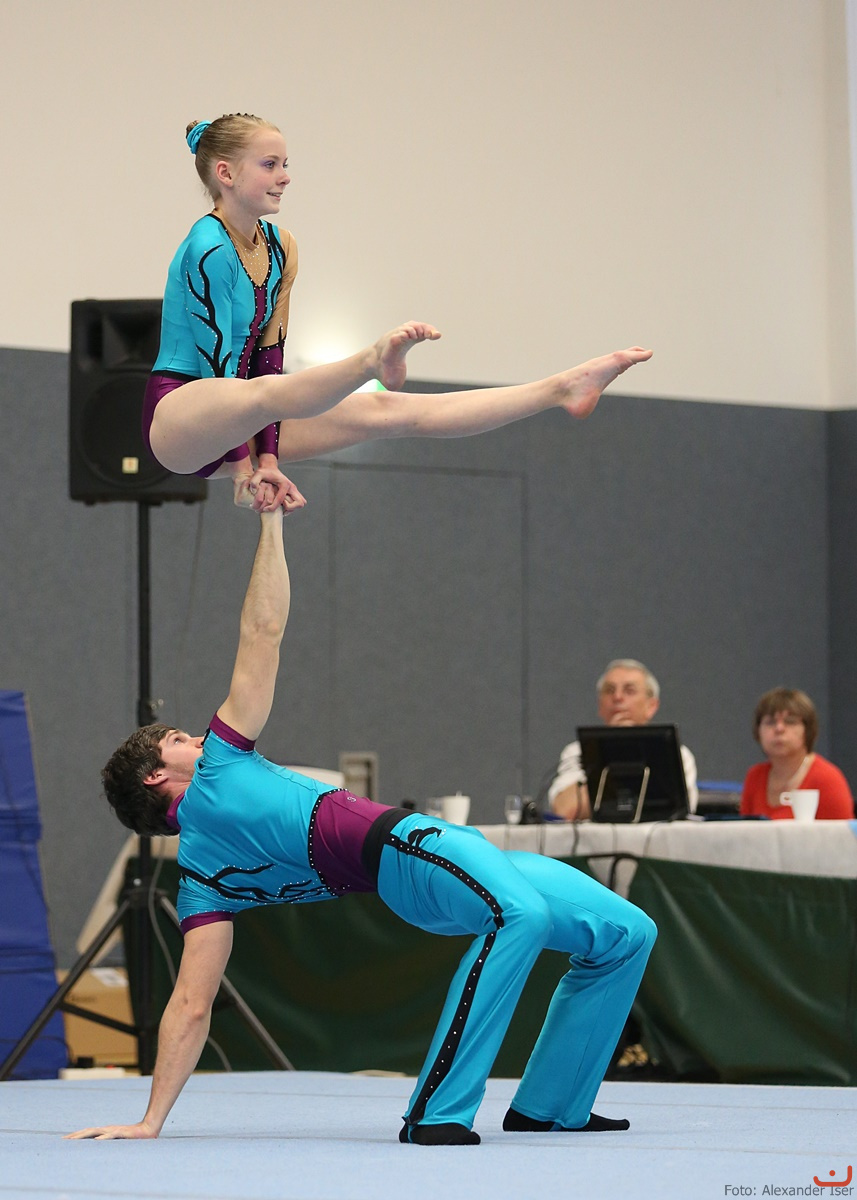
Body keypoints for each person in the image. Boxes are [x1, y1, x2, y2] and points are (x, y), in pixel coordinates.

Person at [67, 510, 656, 1146]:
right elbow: (263, 629)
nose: (195, 737)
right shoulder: (219, 770)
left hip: (432, 867)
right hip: (413, 851)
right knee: (522, 917)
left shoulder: (200, 883)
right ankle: (436, 1112)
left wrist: (151, 1120)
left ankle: (551, 1104)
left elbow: (190, 1004)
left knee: (627, 933)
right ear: (157, 775)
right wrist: (271, 522)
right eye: (180, 738)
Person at [144, 112, 653, 513]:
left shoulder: (281, 248)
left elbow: (268, 357)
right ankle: (371, 360)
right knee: (257, 393)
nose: (286, 176)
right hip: (182, 414)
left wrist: (269, 460)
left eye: (285, 164)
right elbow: (224, 373)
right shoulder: (209, 248)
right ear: (226, 173)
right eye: (270, 164)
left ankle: (560, 389)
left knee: (385, 411)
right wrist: (243, 472)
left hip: (252, 406)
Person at [548, 659, 698, 820]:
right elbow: (566, 811)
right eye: (609, 690)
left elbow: (679, 811)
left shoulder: (676, 753)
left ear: (651, 706)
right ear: (600, 705)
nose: (617, 697)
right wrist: (612, 752)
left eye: (629, 691)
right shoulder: (577, 751)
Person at [740, 687, 854, 820]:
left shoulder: (827, 779)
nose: (779, 729)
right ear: (758, 731)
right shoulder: (755, 776)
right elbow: (744, 831)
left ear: (808, 730)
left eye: (790, 722)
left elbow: (842, 832)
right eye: (770, 722)